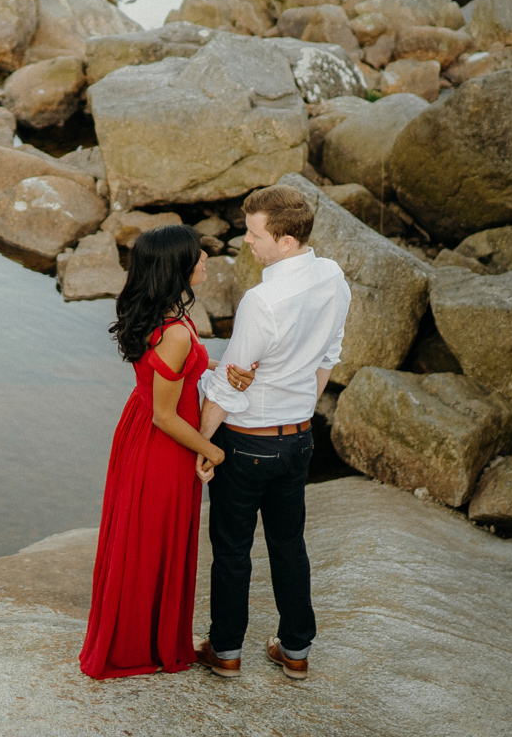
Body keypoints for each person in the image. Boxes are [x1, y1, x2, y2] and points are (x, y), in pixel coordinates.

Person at [192, 184, 350, 683]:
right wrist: (300, 402)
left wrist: (203, 442)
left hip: (246, 442)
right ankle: (296, 650)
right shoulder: (333, 277)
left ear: (285, 241)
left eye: (255, 233)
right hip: (298, 439)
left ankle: (227, 651)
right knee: (288, 544)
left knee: (233, 549)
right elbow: (328, 357)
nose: (246, 242)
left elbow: (231, 380)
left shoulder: (263, 300)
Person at [80, 225, 251, 679]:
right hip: (162, 442)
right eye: (198, 257)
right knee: (151, 540)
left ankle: (143, 636)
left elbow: (168, 369)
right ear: (176, 267)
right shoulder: (175, 330)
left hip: (141, 430)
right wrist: (212, 451)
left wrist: (215, 365)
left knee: (144, 537)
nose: (205, 262)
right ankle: (140, 646)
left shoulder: (164, 313)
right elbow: (166, 414)